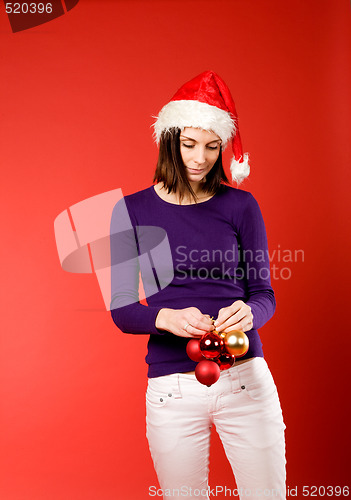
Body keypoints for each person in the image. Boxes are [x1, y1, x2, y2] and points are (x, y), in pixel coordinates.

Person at [110, 71, 286, 499]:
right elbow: (121, 308)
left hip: (245, 379)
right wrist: (166, 317)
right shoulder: (129, 210)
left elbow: (264, 295)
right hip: (172, 389)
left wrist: (250, 312)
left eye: (212, 147)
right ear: (170, 139)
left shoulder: (241, 205)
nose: (201, 158)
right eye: (189, 144)